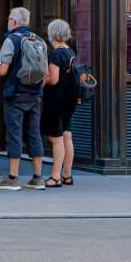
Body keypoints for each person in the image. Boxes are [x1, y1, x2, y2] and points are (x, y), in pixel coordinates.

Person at [0, 7, 47, 191]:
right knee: (34, 133)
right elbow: (45, 73)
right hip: (35, 94)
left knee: (14, 134)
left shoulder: (12, 40)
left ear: (13, 22)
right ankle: (38, 177)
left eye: (9, 19)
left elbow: (3, 70)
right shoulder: (38, 40)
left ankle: (13, 177)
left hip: (15, 94)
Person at [42, 19, 80, 188]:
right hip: (69, 100)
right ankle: (67, 174)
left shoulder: (56, 54)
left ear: (52, 34)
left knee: (55, 138)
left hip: (56, 100)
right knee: (66, 135)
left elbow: (53, 79)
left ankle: (55, 176)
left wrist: (42, 78)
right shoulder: (70, 52)